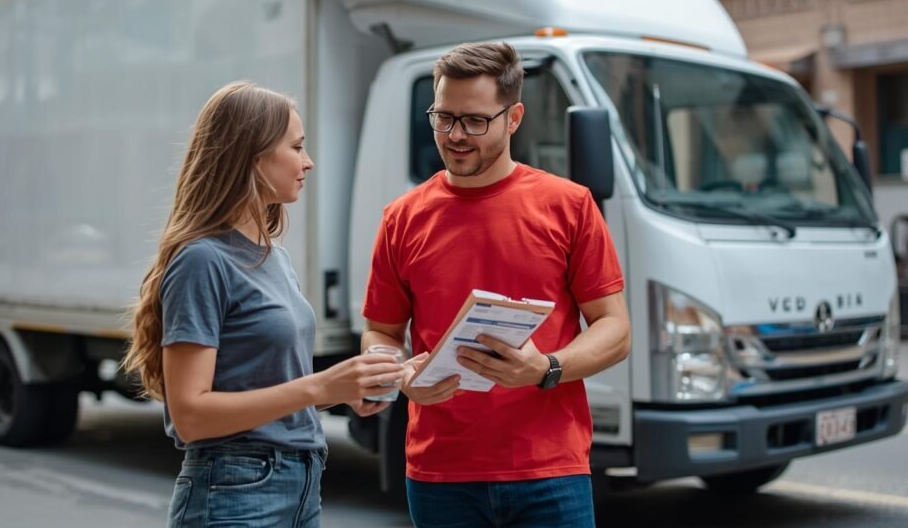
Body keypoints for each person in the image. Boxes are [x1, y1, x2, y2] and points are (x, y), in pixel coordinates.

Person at [361, 43, 631, 527]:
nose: (456, 136)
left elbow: (615, 329)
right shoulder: (402, 218)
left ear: (514, 117)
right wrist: (402, 377)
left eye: (475, 121)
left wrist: (546, 368)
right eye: (443, 118)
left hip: (550, 470)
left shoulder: (569, 206)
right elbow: (380, 333)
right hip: (440, 473)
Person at [123, 81, 405, 528]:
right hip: (236, 487)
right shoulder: (202, 260)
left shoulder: (275, 256)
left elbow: (262, 384)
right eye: (296, 147)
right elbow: (191, 415)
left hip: (301, 482)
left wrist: (345, 392)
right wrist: (320, 388)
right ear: (252, 157)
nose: (308, 162)